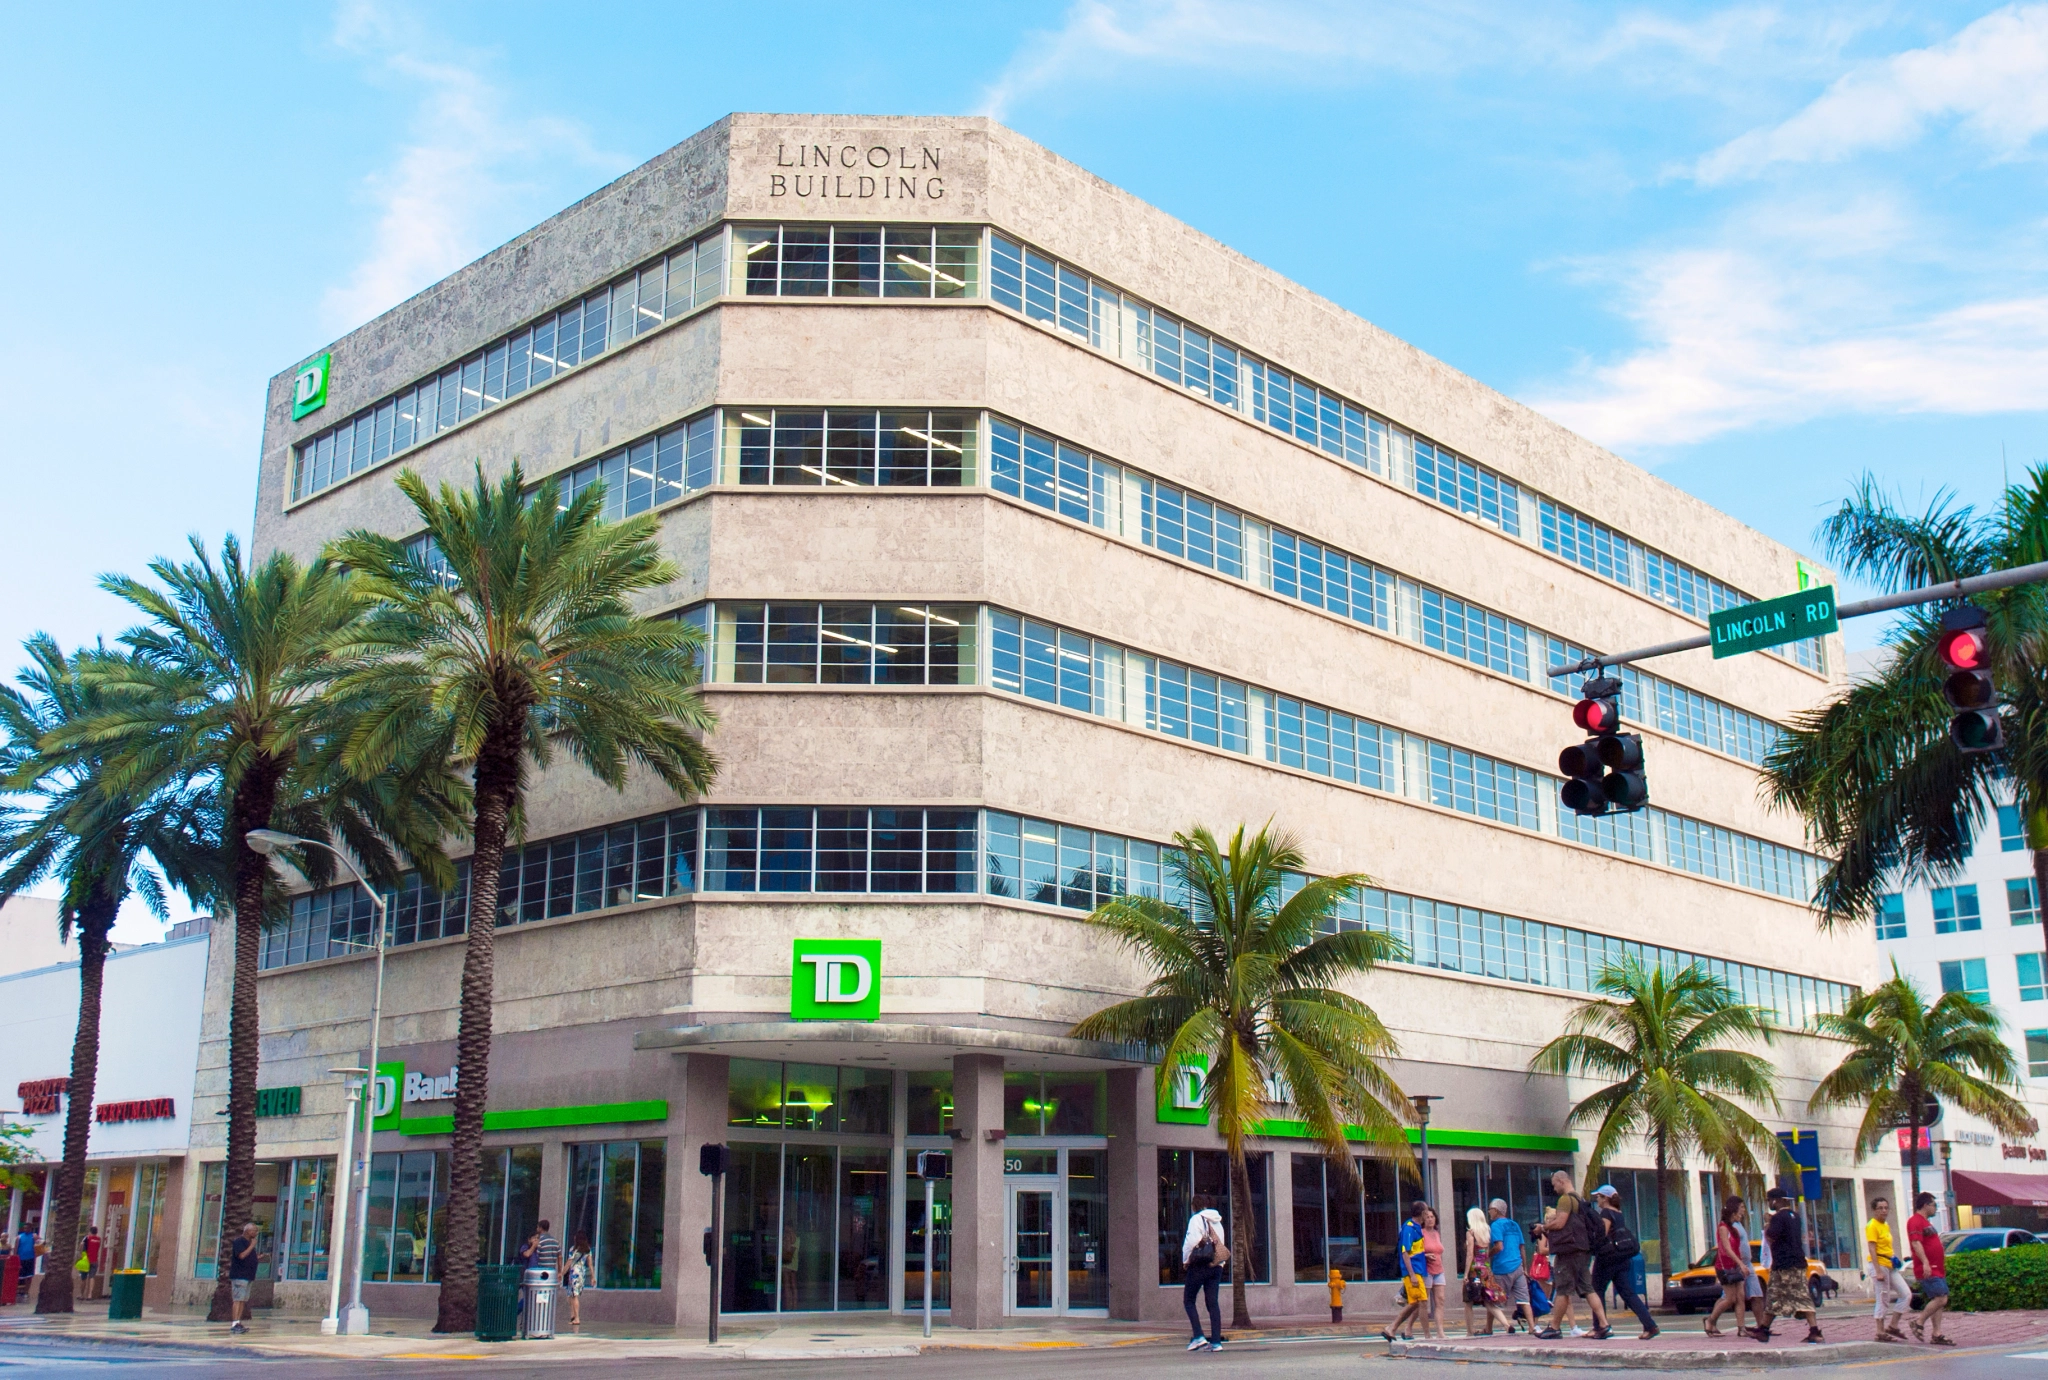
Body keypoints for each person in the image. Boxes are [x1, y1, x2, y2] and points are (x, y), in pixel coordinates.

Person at [1537, 1171, 1611, 1340]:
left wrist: (1543, 1227)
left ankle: (1554, 1327)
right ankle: (1605, 1324)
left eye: (1555, 1185)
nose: (1555, 1189)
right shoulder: (1580, 1199)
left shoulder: (1565, 1199)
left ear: (1561, 1181)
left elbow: (1561, 1222)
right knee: (1588, 1288)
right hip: (1583, 1250)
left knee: (1563, 1289)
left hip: (1569, 1251)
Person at [1589, 1185, 1658, 1339]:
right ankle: (1650, 1325)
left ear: (1605, 1198)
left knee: (1596, 1291)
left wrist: (1592, 1243)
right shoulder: (1619, 1213)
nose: (1597, 1200)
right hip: (1622, 1258)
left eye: (1599, 1197)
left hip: (1607, 1259)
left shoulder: (1606, 1212)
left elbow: (1603, 1234)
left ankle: (1600, 1326)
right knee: (1628, 1294)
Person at [1762, 1188, 1823, 1344]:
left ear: (1776, 1200)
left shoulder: (1778, 1218)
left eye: (1769, 1200)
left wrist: (1768, 1224)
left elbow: (1771, 1237)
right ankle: (1764, 1329)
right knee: (1789, 1296)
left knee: (1786, 1296)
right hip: (1796, 1262)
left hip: (1784, 1264)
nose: (1769, 1203)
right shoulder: (1795, 1216)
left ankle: (1764, 1330)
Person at [1704, 1196, 1765, 1339]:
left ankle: (1741, 1328)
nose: (1742, 1213)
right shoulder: (1723, 1228)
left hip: (1737, 1266)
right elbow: (1726, 1249)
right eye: (1740, 1210)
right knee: (1729, 1298)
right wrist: (1741, 1264)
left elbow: (1739, 1247)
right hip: (1725, 1267)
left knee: (1740, 1297)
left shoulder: (1735, 1227)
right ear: (1732, 1213)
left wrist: (1742, 1264)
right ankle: (1710, 1320)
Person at [1180, 1197, 1227, 1353]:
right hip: (1216, 1265)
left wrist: (1186, 1260)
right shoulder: (1217, 1221)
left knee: (1189, 1300)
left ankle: (1198, 1336)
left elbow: (1191, 1241)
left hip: (1200, 1264)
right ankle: (1215, 1342)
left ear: (1194, 1206)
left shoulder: (1196, 1219)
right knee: (1212, 1303)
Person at [1904, 1191, 1951, 1346]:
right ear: (1925, 1205)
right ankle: (1918, 1322)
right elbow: (1916, 1243)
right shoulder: (1915, 1221)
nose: (1935, 1208)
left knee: (1938, 1300)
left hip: (1937, 1267)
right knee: (1941, 1297)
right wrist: (1925, 1262)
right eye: (1934, 1205)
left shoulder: (1926, 1222)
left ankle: (1937, 1333)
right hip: (1928, 1268)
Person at [1384, 1200, 1432, 1343]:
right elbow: (1405, 1252)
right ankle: (1427, 1335)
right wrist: (1411, 1275)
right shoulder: (1409, 1228)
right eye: (1426, 1212)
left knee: (1416, 1302)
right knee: (1422, 1301)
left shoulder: (1417, 1228)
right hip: (1413, 1271)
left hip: (1419, 1269)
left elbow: (1414, 1251)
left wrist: (1424, 1255)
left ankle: (1392, 1328)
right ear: (1422, 1213)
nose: (1428, 1215)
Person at [1486, 1200, 1535, 1334]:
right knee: (1524, 1300)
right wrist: (1525, 1268)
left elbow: (1499, 1246)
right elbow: (1522, 1247)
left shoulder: (1495, 1225)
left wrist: (1487, 1255)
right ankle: (1532, 1327)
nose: (1489, 1212)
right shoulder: (1515, 1225)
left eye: (1490, 1209)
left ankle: (1489, 1328)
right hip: (1518, 1267)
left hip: (1502, 1268)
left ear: (1496, 1210)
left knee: (1493, 1300)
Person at [1865, 1197, 1909, 1342]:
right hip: (1879, 1263)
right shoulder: (1872, 1226)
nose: (1884, 1211)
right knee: (1883, 1297)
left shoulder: (1886, 1225)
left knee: (1906, 1294)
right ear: (1874, 1210)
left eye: (1886, 1207)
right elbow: (1872, 1248)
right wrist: (1877, 1271)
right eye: (1880, 1208)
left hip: (1890, 1263)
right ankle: (1880, 1331)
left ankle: (1893, 1325)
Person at [1462, 1206, 1512, 1335]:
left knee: (1468, 1301)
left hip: (1475, 1269)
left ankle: (1470, 1331)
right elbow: (1486, 1253)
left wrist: (1466, 1273)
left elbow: (1470, 1255)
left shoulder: (1471, 1233)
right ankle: (1506, 1324)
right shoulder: (1486, 1231)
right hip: (1486, 1268)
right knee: (1488, 1300)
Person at [227, 1223, 261, 1334]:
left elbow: (249, 1257)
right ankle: (234, 1322)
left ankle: (238, 1321)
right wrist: (252, 1246)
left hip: (248, 1276)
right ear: (247, 1231)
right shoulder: (239, 1242)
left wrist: (257, 1258)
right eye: (254, 1231)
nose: (256, 1233)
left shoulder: (249, 1243)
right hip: (239, 1275)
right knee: (237, 1299)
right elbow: (241, 1256)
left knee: (242, 1300)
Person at [565, 1232, 592, 1331]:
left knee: (574, 1295)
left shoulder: (573, 1249)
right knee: (571, 1295)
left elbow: (569, 1262)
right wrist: (593, 1276)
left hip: (574, 1273)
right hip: (582, 1273)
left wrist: (562, 1273)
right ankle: (573, 1316)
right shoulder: (587, 1250)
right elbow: (590, 1264)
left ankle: (576, 1317)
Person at [1527, 1226, 1553, 1323]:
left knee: (1554, 1294)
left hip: (1553, 1265)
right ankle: (1534, 1322)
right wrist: (1557, 1247)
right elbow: (1542, 1250)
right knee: (1541, 1295)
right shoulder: (1543, 1233)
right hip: (1545, 1265)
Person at [79, 1226, 101, 1301]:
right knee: (92, 1277)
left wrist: (81, 1253)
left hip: (86, 1260)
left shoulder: (87, 1238)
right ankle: (90, 1295)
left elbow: (81, 1245)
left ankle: (82, 1294)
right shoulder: (98, 1239)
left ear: (90, 1231)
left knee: (83, 1278)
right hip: (94, 1260)